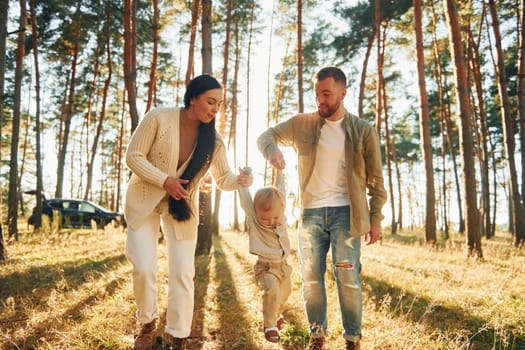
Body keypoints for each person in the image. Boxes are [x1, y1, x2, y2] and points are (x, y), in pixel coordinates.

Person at [257, 67, 387, 350]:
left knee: (347, 276)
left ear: (343, 93)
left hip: (347, 215)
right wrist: (273, 151)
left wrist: (376, 218)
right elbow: (265, 137)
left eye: (326, 94)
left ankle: (352, 340)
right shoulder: (303, 124)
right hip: (311, 214)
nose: (320, 101)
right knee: (311, 278)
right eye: (317, 95)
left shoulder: (363, 130)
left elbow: (376, 178)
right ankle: (318, 338)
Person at [124, 74, 253, 350]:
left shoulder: (214, 141)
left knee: (183, 271)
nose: (214, 109)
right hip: (144, 200)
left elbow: (223, 179)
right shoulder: (158, 117)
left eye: (219, 104)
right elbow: (133, 156)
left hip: (181, 210)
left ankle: (178, 335)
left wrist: (240, 180)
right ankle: (147, 322)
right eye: (210, 101)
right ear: (192, 97)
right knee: (144, 267)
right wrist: (165, 181)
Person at [237, 167, 292, 344]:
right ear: (256, 213)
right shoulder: (254, 217)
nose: (271, 222)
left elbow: (280, 191)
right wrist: (243, 183)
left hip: (284, 266)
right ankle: (269, 326)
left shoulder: (280, 213)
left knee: (285, 293)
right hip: (266, 267)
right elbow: (245, 200)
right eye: (265, 219)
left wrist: (279, 172)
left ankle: (276, 315)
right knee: (272, 291)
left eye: (275, 217)